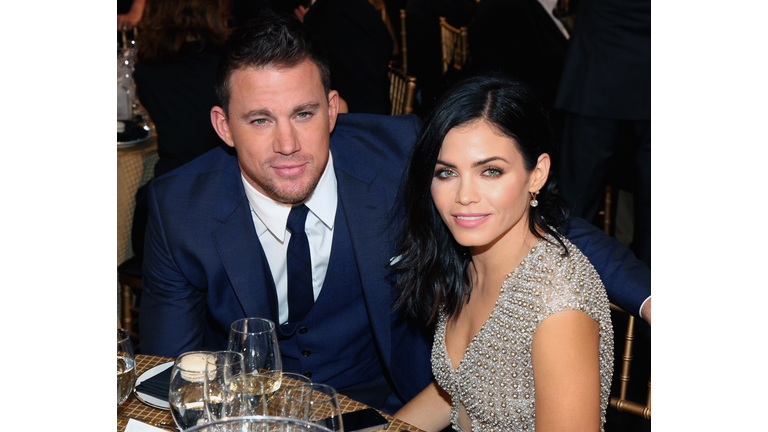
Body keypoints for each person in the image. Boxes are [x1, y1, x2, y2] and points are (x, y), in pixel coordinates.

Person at [139, 11, 649, 415]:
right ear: (223, 127)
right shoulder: (180, 207)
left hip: (388, 411)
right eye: (259, 120)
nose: (288, 143)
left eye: (304, 113)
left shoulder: (395, 155)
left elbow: (539, 219)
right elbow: (169, 373)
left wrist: (652, 300)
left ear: (334, 108)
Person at [392, 74, 614, 431]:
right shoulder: (469, 260)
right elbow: (459, 387)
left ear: (537, 174)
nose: (464, 195)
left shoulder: (558, 304)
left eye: (490, 171)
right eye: (447, 173)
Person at [554, 0, 651, 268]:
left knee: (577, 198)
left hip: (602, 46)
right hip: (605, 40)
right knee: (577, 200)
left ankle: (563, 285)